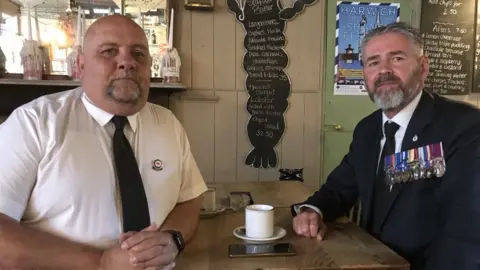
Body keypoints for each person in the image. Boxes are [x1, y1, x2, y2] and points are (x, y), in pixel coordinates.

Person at [0, 15, 207, 270]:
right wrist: (101, 262)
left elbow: (189, 200)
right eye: (109, 51)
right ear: (81, 65)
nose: (127, 62)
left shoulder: (168, 124)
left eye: (139, 54)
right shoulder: (34, 123)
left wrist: (172, 238)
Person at [292, 22, 480, 270]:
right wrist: (312, 210)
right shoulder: (367, 130)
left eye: (397, 58)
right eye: (373, 62)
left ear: (423, 67)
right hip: (370, 261)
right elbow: (340, 187)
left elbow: (465, 231)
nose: (384, 70)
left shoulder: (463, 126)